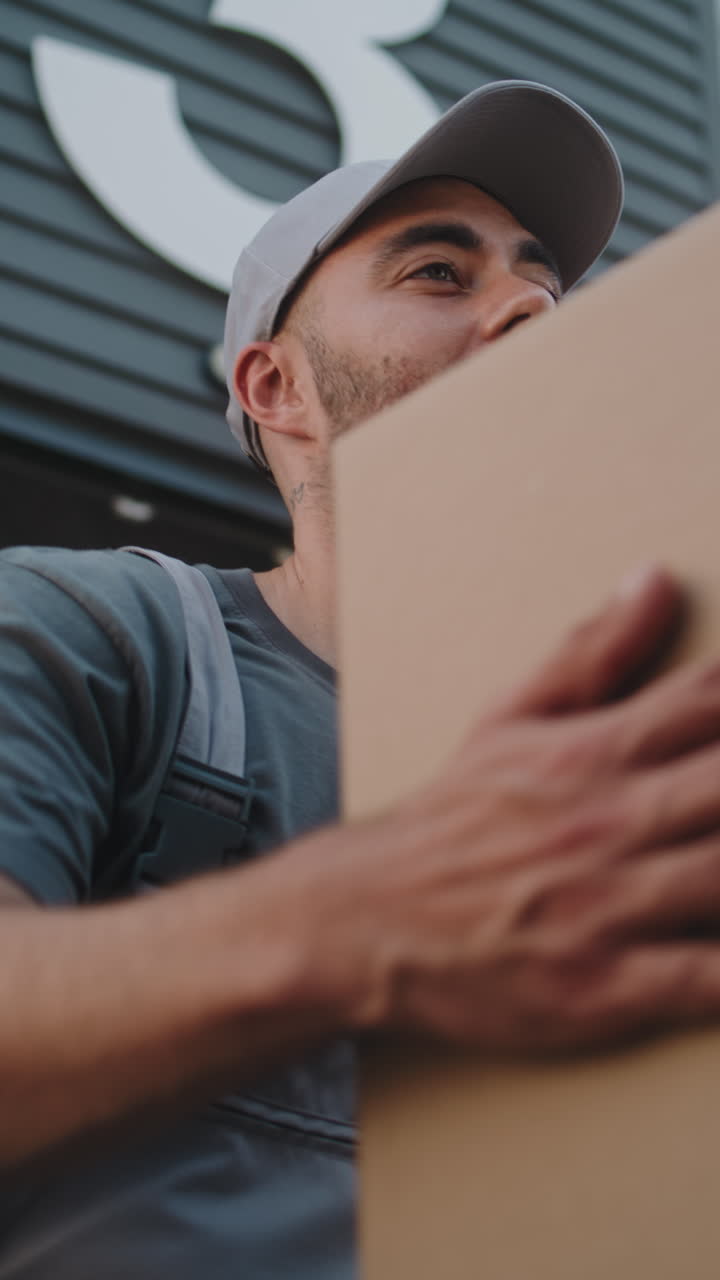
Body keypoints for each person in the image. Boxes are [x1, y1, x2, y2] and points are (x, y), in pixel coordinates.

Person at [2, 80, 720, 1277]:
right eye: (439, 272)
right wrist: (372, 917)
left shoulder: (655, 729)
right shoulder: (102, 630)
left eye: (545, 283)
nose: (529, 311)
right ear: (276, 388)